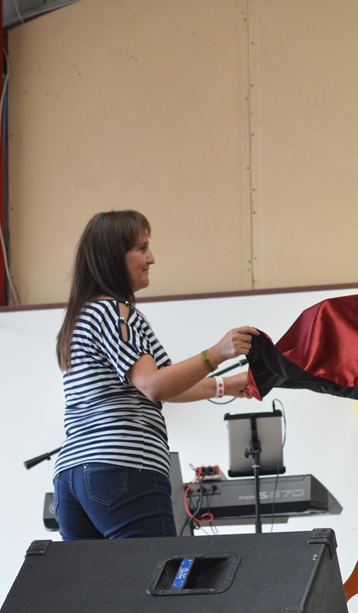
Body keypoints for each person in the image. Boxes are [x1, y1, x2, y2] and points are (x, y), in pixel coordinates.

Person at [53, 210, 258, 540]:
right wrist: (218, 353)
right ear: (113, 257)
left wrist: (226, 385)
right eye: (141, 248)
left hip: (72, 476)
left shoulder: (82, 316)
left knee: (95, 577)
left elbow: (162, 384)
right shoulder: (115, 313)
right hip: (124, 466)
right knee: (155, 569)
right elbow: (153, 386)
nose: (152, 258)